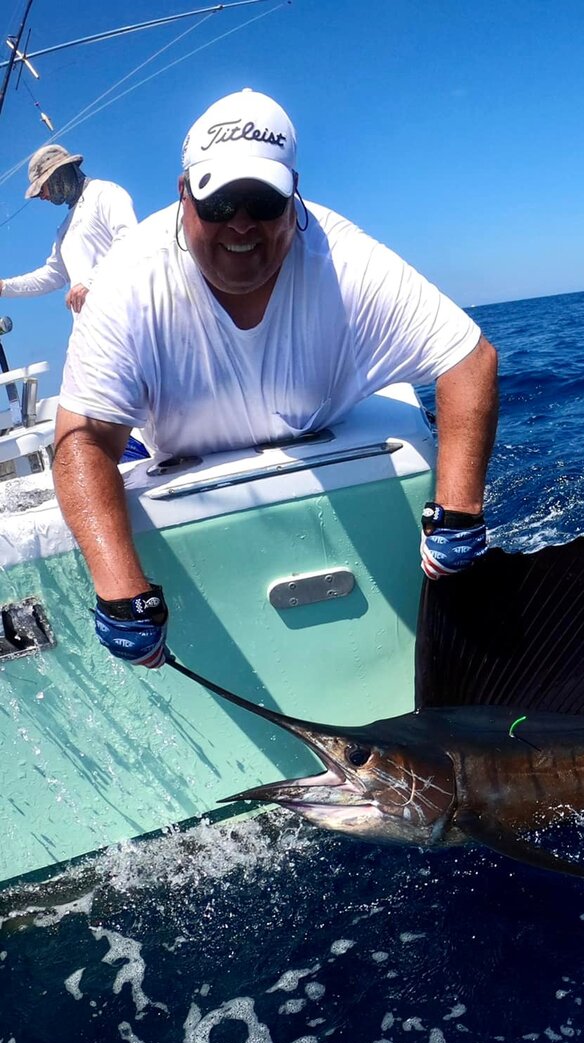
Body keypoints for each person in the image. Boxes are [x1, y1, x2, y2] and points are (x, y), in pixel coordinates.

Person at [53, 88, 499, 668]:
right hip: (177, 452)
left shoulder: (344, 259)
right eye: (218, 203)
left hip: (320, 434)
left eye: (263, 202)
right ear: (184, 194)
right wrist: (120, 591)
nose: (241, 224)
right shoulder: (128, 280)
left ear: (294, 199)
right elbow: (82, 442)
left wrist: (458, 514)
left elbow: (469, 359)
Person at [0, 144, 137, 314]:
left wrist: (90, 282)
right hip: (90, 325)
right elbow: (53, 274)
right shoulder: (63, 229)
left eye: (41, 188)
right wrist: (4, 287)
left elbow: (129, 239)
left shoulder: (104, 192)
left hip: (124, 314)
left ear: (58, 174)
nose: (41, 197)